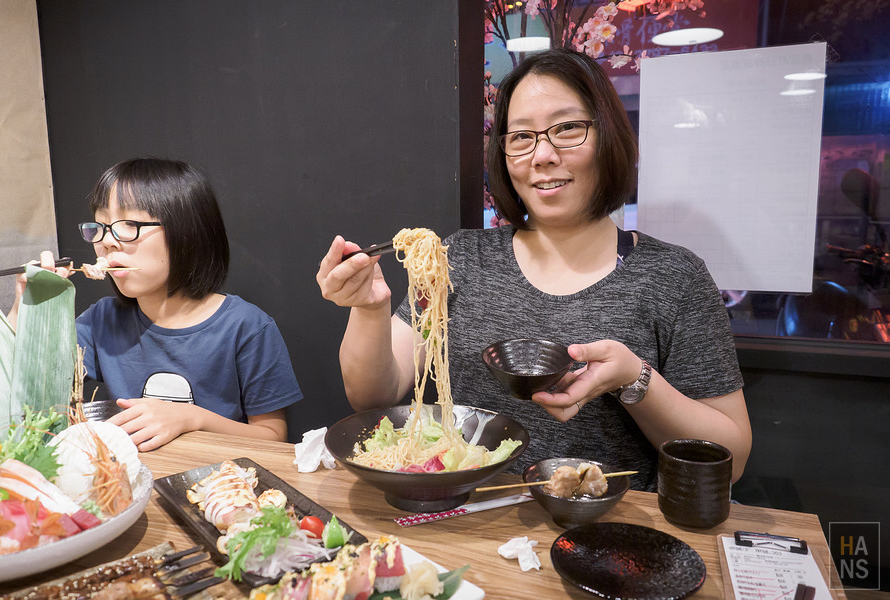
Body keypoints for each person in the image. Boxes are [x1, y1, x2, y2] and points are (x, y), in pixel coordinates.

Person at [316, 48, 751, 491]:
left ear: (609, 136)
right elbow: (374, 394)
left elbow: (729, 459)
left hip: (601, 538)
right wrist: (369, 309)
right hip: (463, 526)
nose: (541, 155)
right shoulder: (456, 258)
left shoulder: (673, 277)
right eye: (521, 137)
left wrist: (633, 379)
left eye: (567, 129)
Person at [9, 158, 303, 451]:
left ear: (187, 233)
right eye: (100, 226)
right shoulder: (101, 320)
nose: (107, 242)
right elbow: (27, 392)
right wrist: (28, 312)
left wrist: (192, 418)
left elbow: (273, 437)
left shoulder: (246, 327)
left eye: (129, 224)